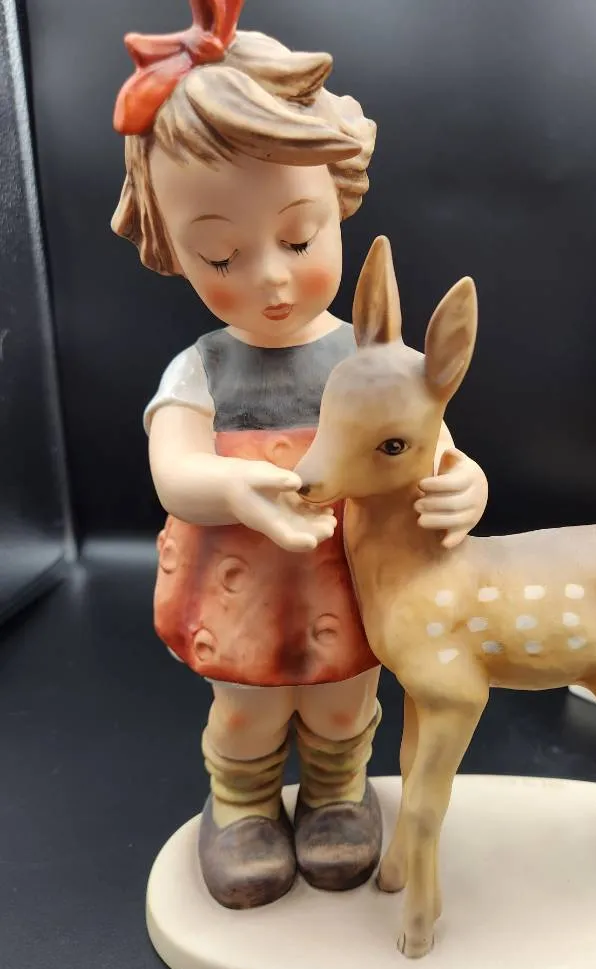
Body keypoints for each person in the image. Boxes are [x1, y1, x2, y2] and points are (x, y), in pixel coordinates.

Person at [111, 0, 488, 907]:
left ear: (338, 204)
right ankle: (241, 805)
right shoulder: (202, 367)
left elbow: (432, 446)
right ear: (172, 247)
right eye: (220, 256)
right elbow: (174, 469)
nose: (271, 279)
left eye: (297, 238)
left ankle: (336, 795)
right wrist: (234, 486)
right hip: (241, 580)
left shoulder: (369, 359)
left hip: (353, 574)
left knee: (343, 700)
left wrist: (464, 482)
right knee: (246, 708)